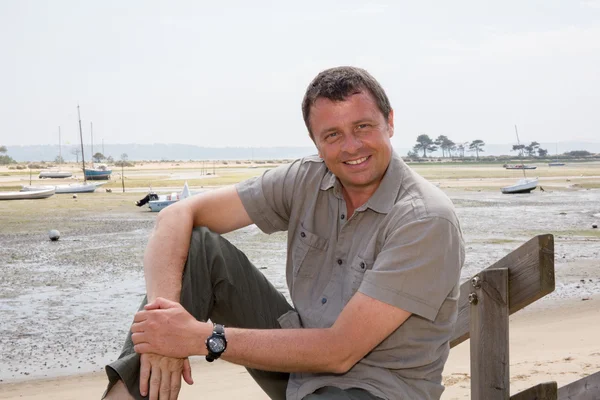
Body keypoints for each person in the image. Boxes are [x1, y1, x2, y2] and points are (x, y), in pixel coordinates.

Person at [103, 66, 464, 400]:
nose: (351, 146)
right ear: (315, 142)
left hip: (373, 387)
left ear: (390, 122)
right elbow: (178, 214)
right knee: (199, 248)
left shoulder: (425, 219)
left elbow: (340, 352)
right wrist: (164, 328)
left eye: (363, 127)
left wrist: (201, 338)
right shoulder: (306, 179)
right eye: (333, 134)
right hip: (299, 370)